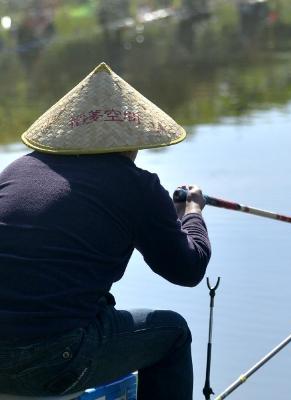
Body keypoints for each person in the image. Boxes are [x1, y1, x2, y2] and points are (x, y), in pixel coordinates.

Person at [0, 63, 210, 399]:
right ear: (134, 140)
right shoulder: (136, 184)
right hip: (54, 360)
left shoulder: (17, 169)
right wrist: (193, 214)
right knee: (173, 332)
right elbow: (188, 269)